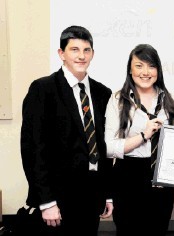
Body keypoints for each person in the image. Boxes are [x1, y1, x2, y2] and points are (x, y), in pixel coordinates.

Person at [20, 25, 113, 236]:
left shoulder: (102, 93)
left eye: (86, 50)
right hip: (57, 200)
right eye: (74, 50)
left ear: (92, 54)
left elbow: (104, 147)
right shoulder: (43, 90)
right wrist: (45, 201)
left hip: (92, 197)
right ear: (61, 53)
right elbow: (33, 149)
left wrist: (107, 195)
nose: (81, 56)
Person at [104, 44, 174, 236]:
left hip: (161, 179)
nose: (145, 72)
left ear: (158, 70)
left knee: (158, 233)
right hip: (128, 176)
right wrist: (142, 136)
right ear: (130, 70)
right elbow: (108, 147)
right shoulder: (118, 100)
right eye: (139, 66)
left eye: (151, 66)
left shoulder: (169, 100)